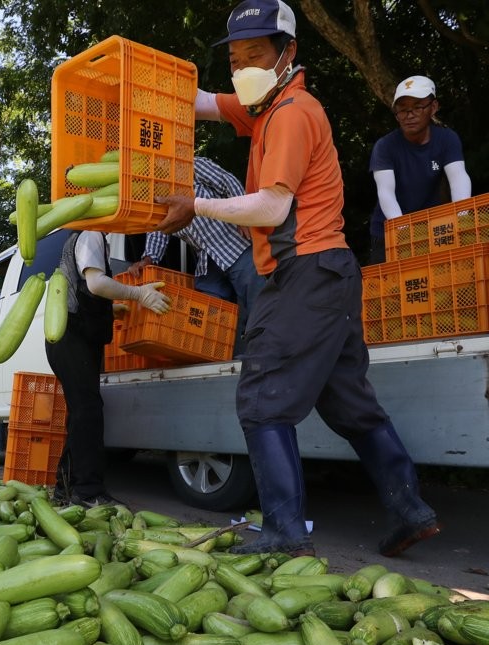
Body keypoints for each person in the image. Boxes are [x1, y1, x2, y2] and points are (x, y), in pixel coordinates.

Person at [153, 0, 440, 557]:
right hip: (329, 272)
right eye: (235, 59)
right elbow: (203, 103)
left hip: (305, 270)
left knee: (261, 402)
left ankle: (284, 531)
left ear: (288, 54)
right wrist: (130, 91)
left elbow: (270, 208)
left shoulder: (290, 113)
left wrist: (197, 205)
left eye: (255, 55)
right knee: (350, 407)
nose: (243, 69)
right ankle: (411, 509)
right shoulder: (262, 107)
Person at [49, 231, 170, 507]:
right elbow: (95, 283)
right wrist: (138, 293)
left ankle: (65, 489)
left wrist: (109, 309)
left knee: (81, 413)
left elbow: (82, 287)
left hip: (71, 336)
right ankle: (88, 492)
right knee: (87, 411)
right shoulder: (90, 233)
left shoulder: (86, 238)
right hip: (72, 336)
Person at [135, 156, 265, 354]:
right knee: (208, 316)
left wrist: (244, 216)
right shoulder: (153, 193)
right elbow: (159, 230)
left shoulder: (189, 165)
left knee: (256, 305)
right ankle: (219, 358)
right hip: (206, 261)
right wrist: (148, 258)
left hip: (235, 245)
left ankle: (261, 357)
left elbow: (227, 181)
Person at [367, 75, 471, 264]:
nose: (409, 115)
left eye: (417, 107)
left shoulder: (447, 139)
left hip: (433, 228)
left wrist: (462, 217)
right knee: (393, 290)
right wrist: (403, 233)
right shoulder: (385, 146)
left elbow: (458, 178)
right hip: (389, 232)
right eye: (403, 110)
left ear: (433, 107)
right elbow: (386, 193)